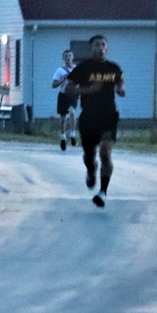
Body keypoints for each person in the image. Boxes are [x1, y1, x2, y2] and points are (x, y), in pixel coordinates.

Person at [64, 35, 125, 207]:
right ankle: (91, 170)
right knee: (89, 156)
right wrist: (88, 90)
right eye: (96, 45)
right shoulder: (83, 68)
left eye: (103, 45)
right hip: (89, 116)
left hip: (108, 116)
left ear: (107, 48)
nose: (100, 48)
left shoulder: (113, 68)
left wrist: (120, 89)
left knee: (105, 153)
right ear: (90, 49)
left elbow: (120, 82)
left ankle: (103, 192)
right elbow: (68, 88)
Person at [51, 49, 78, 151]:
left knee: (72, 112)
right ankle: (63, 137)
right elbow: (53, 85)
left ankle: (72, 135)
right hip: (63, 95)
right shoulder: (60, 71)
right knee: (63, 118)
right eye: (66, 56)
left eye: (70, 56)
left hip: (73, 94)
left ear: (72, 57)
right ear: (63, 58)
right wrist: (63, 79)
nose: (68, 58)